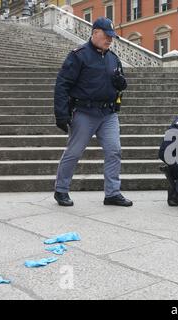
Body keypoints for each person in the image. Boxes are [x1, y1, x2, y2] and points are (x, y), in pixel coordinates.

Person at [53, 17, 132, 207]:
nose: (109, 40)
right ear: (95, 32)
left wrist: (121, 84)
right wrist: (61, 114)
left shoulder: (113, 58)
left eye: (112, 37)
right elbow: (62, 84)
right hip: (84, 112)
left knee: (114, 151)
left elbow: (119, 83)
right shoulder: (78, 55)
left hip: (109, 114)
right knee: (74, 152)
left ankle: (112, 193)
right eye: (106, 36)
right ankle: (61, 190)